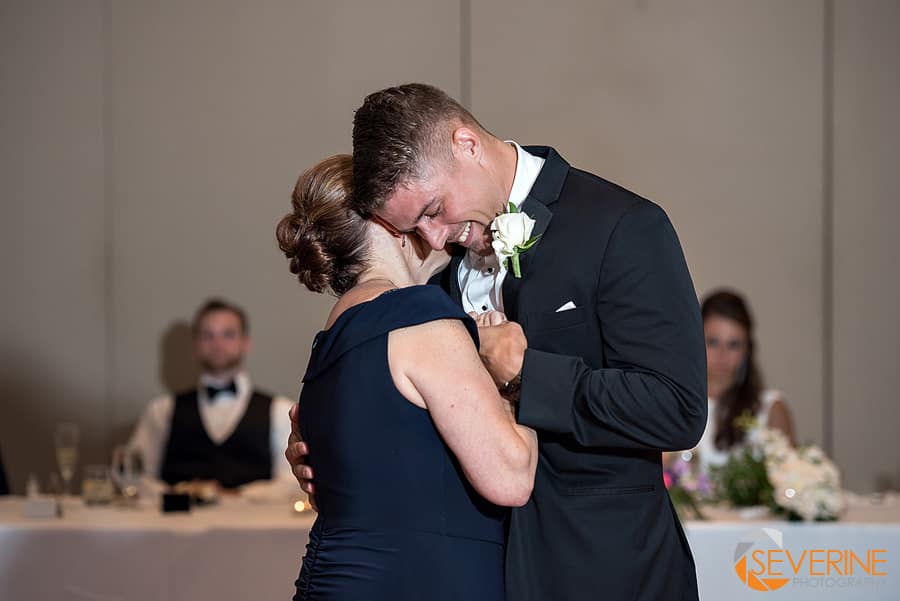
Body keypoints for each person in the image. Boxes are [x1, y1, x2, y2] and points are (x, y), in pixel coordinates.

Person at [287, 83, 707, 601]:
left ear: (465, 144)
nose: (435, 236)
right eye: (415, 225)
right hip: (470, 574)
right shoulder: (434, 271)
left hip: (601, 571)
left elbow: (677, 408)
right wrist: (336, 452)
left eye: (434, 208)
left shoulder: (621, 226)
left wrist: (530, 376)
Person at [276, 154, 538, 600]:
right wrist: (509, 383)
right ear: (391, 221)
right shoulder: (418, 314)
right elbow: (511, 478)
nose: (439, 224)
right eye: (425, 208)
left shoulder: (333, 333)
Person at [127, 298, 295, 499]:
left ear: (245, 343)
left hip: (253, 526)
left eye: (228, 335)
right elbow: (134, 475)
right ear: (195, 345)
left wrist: (236, 494)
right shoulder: (162, 410)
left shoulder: (280, 410)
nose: (218, 344)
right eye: (208, 335)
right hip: (175, 526)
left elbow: (291, 482)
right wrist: (181, 493)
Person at [695, 289, 797, 473]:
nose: (722, 355)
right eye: (712, 342)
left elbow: (791, 483)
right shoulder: (674, 403)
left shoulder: (770, 407)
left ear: (747, 349)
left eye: (733, 344)